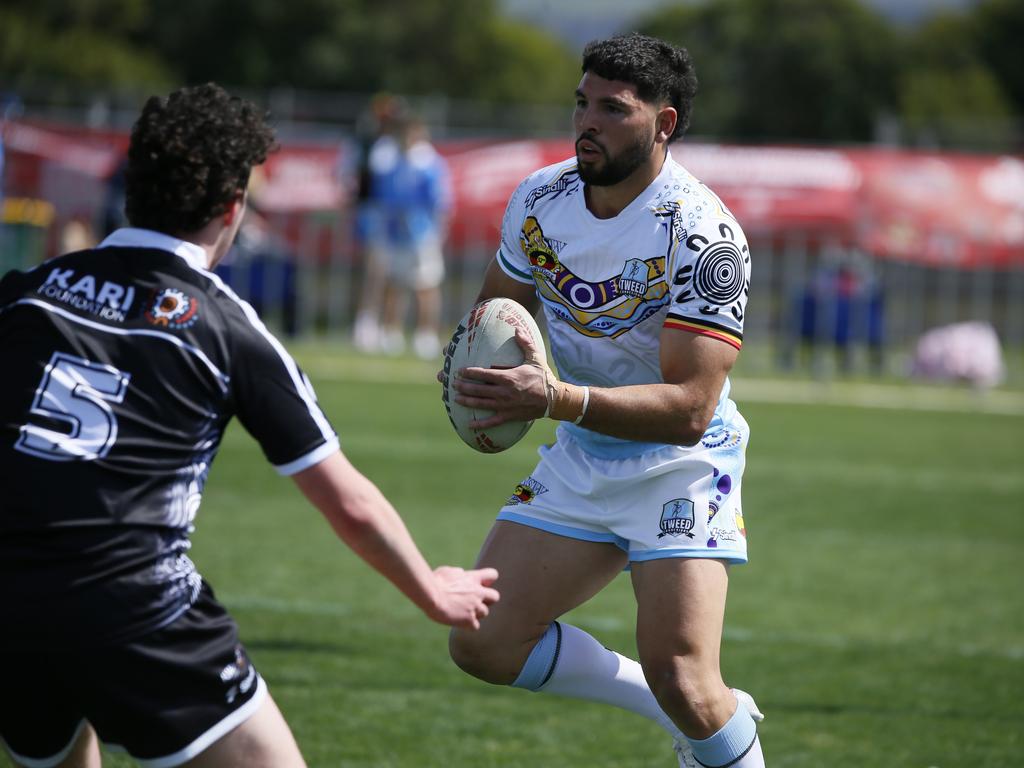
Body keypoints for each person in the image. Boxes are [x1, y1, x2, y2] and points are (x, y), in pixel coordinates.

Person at [0, 83, 498, 768]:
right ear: (233, 210)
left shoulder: (26, 290)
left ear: (132, 185)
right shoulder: (226, 327)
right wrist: (432, 589)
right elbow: (348, 504)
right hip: (134, 608)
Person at [445, 33, 765, 768]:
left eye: (613, 109)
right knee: (482, 643)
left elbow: (689, 408)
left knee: (686, 676)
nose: (587, 122)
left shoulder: (703, 235)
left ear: (664, 123)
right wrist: (483, 375)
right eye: (582, 104)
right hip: (583, 454)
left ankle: (697, 714)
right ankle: (675, 710)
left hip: (681, 465)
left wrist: (552, 397)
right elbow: (498, 317)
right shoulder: (540, 199)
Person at [353, 113, 452, 359]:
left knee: (425, 284)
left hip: (421, 232)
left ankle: (426, 334)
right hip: (396, 233)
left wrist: (438, 231)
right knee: (394, 283)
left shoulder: (429, 163)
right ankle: (391, 330)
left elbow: (440, 202)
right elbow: (383, 197)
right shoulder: (392, 161)